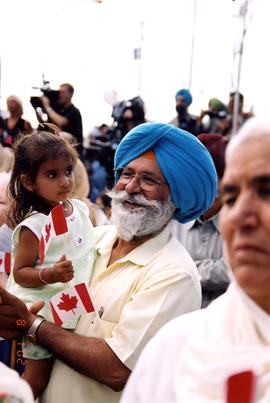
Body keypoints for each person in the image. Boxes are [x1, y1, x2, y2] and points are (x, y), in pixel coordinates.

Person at [0, 122, 217, 403]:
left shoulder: (174, 274)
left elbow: (116, 368)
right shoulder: (93, 239)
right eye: (126, 174)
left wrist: (32, 324)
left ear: (176, 194)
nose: (131, 187)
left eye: (149, 180)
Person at [120, 117, 270, 403]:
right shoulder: (176, 349)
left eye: (266, 192)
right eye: (232, 197)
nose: (237, 216)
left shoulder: (174, 273)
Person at [5, 123, 95, 398]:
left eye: (68, 171)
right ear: (29, 181)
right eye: (52, 175)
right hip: (41, 312)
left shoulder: (79, 208)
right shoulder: (36, 225)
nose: (65, 181)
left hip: (71, 311)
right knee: (38, 377)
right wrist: (50, 274)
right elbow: (20, 272)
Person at [170, 133, 230, 306]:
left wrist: (183, 271)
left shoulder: (240, 221)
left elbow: (234, 270)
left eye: (213, 176)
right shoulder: (173, 220)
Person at [39, 83, 83, 156]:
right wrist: (37, 110)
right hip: (60, 148)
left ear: (71, 94)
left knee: (61, 135)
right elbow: (46, 124)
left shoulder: (74, 111)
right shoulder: (58, 110)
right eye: (59, 92)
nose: (60, 95)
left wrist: (47, 106)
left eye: (63, 92)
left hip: (73, 148)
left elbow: (61, 122)